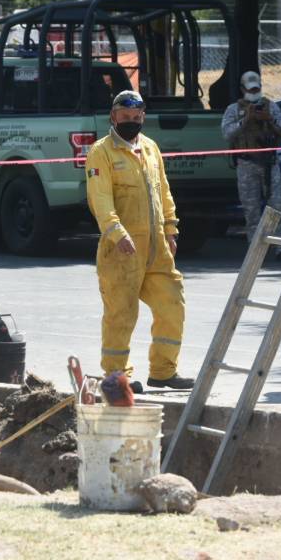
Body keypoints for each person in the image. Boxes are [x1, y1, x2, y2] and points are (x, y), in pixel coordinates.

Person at [85, 90, 193, 392]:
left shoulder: (150, 149)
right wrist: (116, 233)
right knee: (121, 313)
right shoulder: (101, 152)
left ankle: (163, 371)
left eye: (137, 116)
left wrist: (171, 228)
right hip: (121, 251)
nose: (131, 121)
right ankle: (117, 376)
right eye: (125, 116)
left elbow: (164, 192)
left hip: (156, 248)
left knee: (172, 304)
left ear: (143, 116)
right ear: (113, 116)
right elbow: (100, 199)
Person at [222, 70, 281, 255]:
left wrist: (270, 119)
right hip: (247, 165)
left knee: (277, 204)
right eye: (250, 88)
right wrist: (246, 119)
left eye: (256, 88)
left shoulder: (271, 107)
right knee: (251, 209)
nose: (254, 91)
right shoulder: (233, 110)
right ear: (243, 88)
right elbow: (227, 134)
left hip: (270, 163)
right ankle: (255, 248)